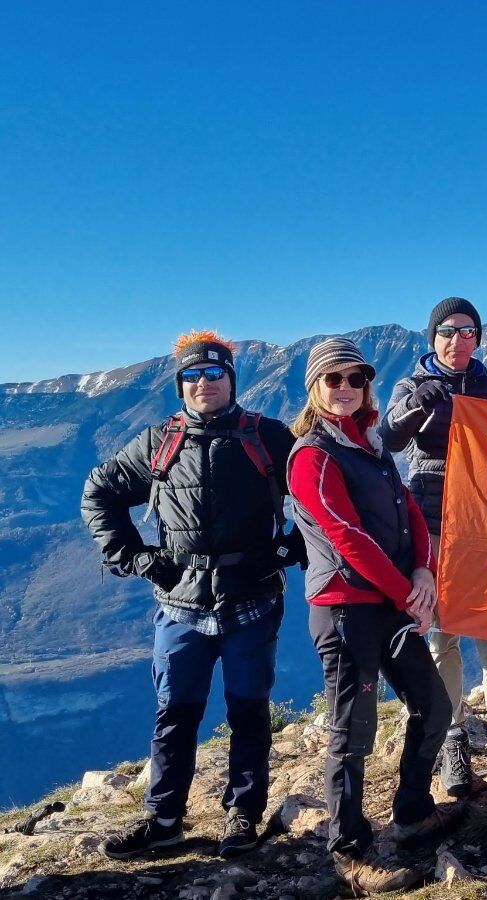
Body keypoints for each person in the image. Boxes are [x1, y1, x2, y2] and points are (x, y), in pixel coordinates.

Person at [81, 330, 301, 860]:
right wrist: (137, 558)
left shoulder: (268, 437)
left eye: (215, 372)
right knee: (175, 714)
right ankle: (164, 823)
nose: (204, 383)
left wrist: (289, 548)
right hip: (180, 602)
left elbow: (320, 492)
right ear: (181, 385)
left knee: (249, 711)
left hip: (252, 600)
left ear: (232, 380)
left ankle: (242, 816)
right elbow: (99, 492)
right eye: (193, 375)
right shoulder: (159, 442)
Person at [287, 337, 458, 894]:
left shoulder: (370, 444)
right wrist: (408, 593)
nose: (345, 387)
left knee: (434, 705)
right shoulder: (312, 455)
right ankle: (350, 850)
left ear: (366, 386)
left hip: (390, 603)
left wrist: (425, 571)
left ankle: (412, 812)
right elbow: (346, 537)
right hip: (345, 611)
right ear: (314, 388)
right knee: (353, 730)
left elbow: (410, 512)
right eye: (332, 378)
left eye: (355, 378)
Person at [379, 297, 487, 799]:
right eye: (447, 331)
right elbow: (389, 438)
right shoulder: (411, 386)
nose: (457, 340)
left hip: (485, 525)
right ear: (433, 337)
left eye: (468, 332)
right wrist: (417, 404)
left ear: (478, 339)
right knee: (442, 637)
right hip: (431, 525)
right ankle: (453, 741)